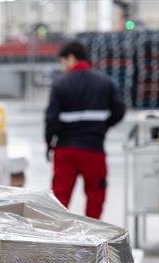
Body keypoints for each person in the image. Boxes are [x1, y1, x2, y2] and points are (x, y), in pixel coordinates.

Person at [45, 40, 126, 220]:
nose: (63, 67)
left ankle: (57, 241)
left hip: (65, 150)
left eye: (63, 62)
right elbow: (119, 110)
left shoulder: (60, 84)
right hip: (93, 149)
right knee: (95, 197)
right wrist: (103, 127)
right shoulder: (105, 82)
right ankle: (92, 239)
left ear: (71, 58)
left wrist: (49, 144)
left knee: (60, 198)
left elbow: (51, 119)